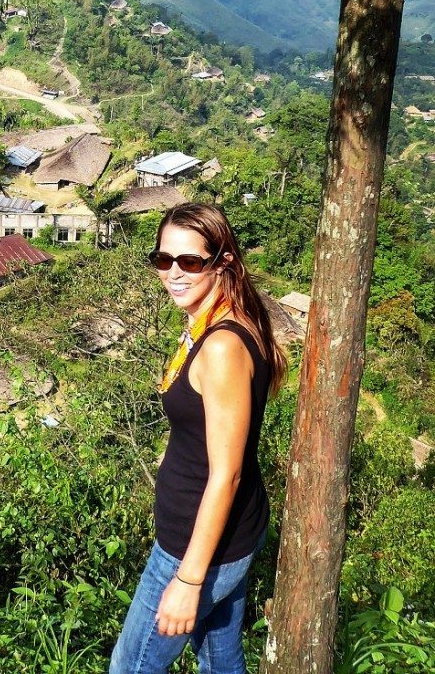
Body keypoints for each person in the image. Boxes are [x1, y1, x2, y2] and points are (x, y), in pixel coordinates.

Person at [110, 203, 287, 674]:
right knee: (220, 660)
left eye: (190, 262)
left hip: (197, 549)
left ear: (223, 262)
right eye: (163, 259)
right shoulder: (212, 323)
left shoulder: (223, 346)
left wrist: (188, 581)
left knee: (131, 666)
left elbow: (225, 475)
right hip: (223, 536)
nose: (173, 273)